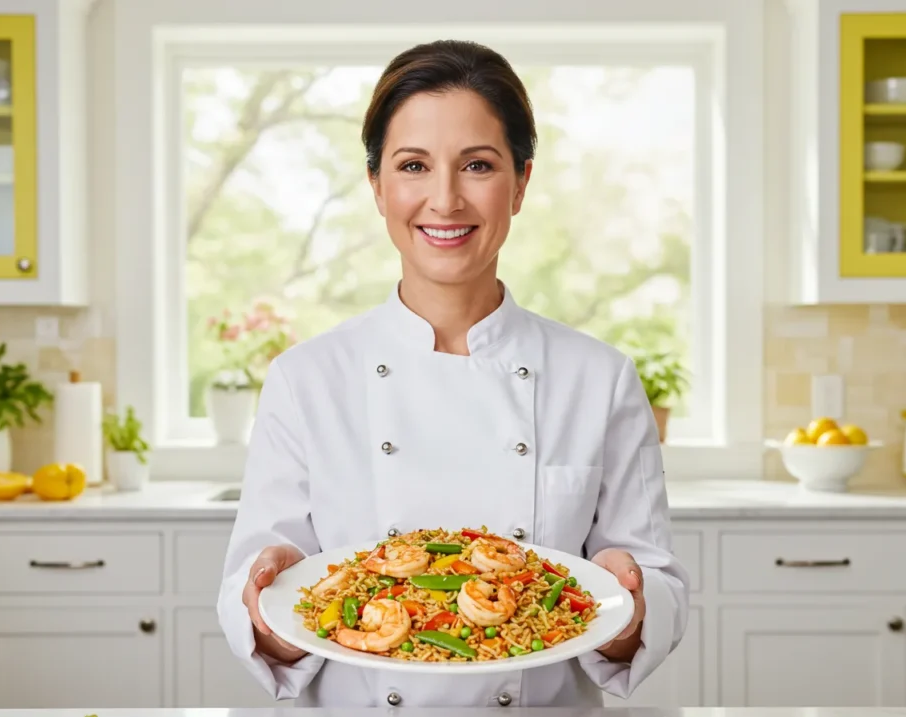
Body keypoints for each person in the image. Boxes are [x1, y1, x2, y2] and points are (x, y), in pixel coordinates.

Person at [217, 38, 689, 709]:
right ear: (378, 186)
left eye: (477, 165)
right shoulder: (305, 380)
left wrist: (629, 606)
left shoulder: (601, 378)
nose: (444, 199)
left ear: (521, 182)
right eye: (413, 165)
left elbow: (657, 588)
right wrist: (273, 614)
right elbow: (261, 602)